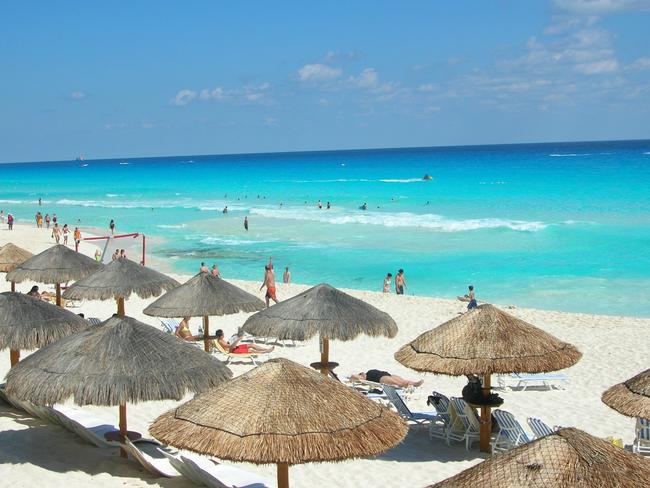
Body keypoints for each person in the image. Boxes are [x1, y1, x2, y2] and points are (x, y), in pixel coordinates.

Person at [350, 369, 423, 388]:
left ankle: (414, 383)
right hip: (379, 378)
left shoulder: (368, 372)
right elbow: (353, 376)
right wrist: (361, 376)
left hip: (387, 374)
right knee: (399, 383)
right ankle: (407, 385)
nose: (362, 373)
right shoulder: (366, 377)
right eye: (361, 374)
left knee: (402, 380)